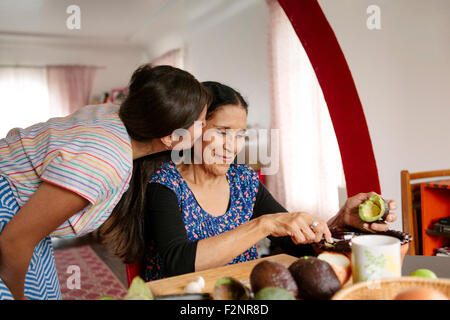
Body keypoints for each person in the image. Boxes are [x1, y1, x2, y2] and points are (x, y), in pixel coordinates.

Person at [142, 81, 397, 281]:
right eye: (222, 132)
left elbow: (297, 247)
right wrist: (263, 224)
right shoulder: (165, 184)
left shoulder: (243, 182)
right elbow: (178, 263)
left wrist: (340, 220)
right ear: (194, 129)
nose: (232, 146)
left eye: (240, 135)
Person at [0, 64, 212, 300]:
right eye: (201, 123)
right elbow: (13, 241)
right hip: (11, 226)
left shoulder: (114, 115)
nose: (205, 130)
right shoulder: (101, 163)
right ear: (169, 137)